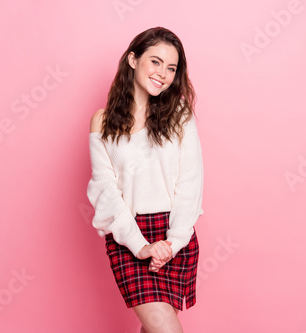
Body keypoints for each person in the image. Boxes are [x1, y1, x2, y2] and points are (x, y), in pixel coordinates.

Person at [87, 26, 204, 333]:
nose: (163, 73)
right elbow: (105, 189)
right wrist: (140, 246)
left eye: (171, 68)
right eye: (155, 61)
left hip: (173, 234)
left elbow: (190, 182)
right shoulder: (102, 121)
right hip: (129, 237)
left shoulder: (178, 113)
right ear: (133, 60)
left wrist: (173, 242)